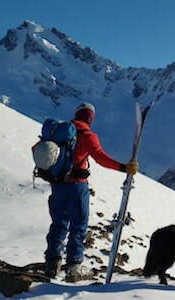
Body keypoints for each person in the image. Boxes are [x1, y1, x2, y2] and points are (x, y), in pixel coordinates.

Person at [44, 102, 138, 282]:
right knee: (78, 226)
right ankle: (73, 268)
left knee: (58, 224)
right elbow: (100, 157)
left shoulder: (58, 134)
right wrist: (124, 168)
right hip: (77, 186)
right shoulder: (86, 135)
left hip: (57, 185)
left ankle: (52, 263)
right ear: (90, 117)